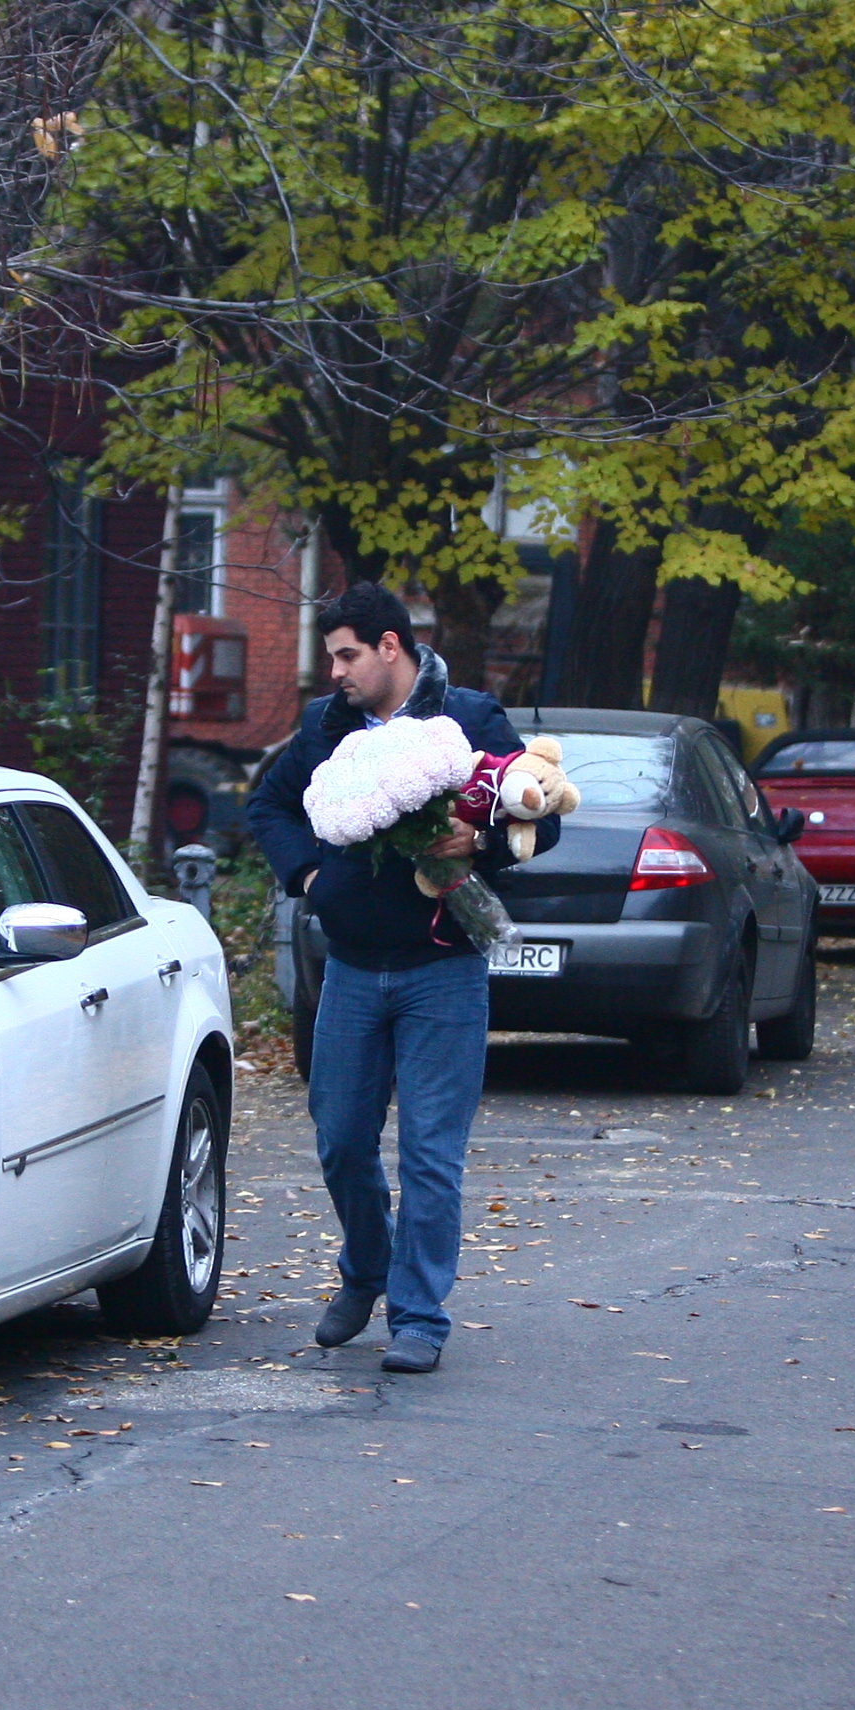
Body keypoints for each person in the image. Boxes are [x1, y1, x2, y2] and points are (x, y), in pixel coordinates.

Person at [245, 582, 559, 1373]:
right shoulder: (327, 728)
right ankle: (367, 1268)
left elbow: (541, 813)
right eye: (331, 658)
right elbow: (268, 809)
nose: (336, 673)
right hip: (351, 969)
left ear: (392, 647)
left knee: (429, 1151)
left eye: (347, 655)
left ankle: (419, 1317)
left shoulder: (470, 716)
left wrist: (478, 845)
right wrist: (311, 881)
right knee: (341, 1141)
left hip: (443, 971)